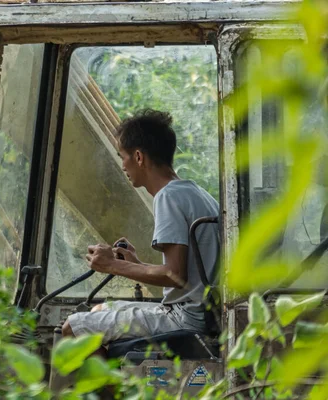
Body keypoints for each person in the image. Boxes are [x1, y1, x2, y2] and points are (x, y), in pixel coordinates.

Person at [62, 109, 220, 346]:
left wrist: (112, 265)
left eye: (121, 156)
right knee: (98, 310)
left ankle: (113, 385)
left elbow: (175, 276)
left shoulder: (167, 197)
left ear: (138, 157)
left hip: (184, 318)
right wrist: (135, 264)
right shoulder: (195, 192)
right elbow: (187, 273)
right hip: (203, 313)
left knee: (72, 328)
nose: (122, 166)